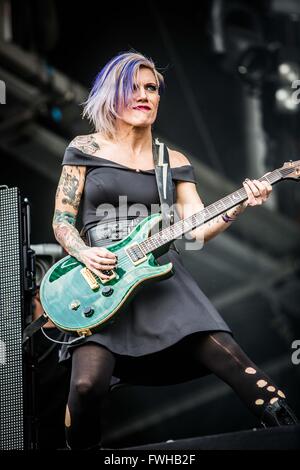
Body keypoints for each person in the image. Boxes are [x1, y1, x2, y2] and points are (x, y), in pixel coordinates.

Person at [53, 51, 298, 450]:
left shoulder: (172, 161)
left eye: (151, 88)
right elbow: (61, 220)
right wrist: (83, 253)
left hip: (159, 274)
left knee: (239, 366)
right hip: (99, 279)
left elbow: (199, 228)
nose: (144, 95)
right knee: (84, 386)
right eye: (133, 88)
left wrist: (239, 205)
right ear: (112, 96)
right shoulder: (85, 148)